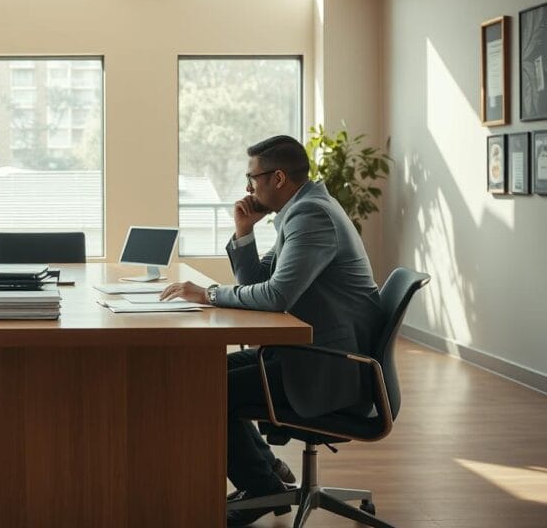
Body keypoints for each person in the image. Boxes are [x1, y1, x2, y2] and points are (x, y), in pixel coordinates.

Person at [161, 135, 383, 527]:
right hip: (307, 353)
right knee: (203, 376)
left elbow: (276, 295)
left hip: (331, 368)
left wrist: (209, 294)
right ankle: (268, 476)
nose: (248, 188)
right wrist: (244, 231)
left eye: (253, 178)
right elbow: (260, 279)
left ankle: (263, 486)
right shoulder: (302, 211)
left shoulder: (311, 216)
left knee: (206, 390)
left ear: (277, 177)